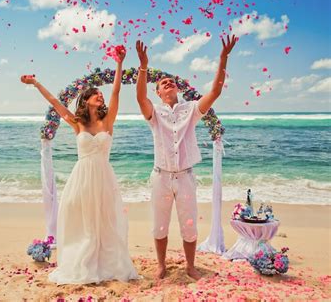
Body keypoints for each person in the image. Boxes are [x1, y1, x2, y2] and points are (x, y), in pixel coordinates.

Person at [20, 47, 139, 285]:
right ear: (85, 100)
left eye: (100, 94)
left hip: (104, 177)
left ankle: (108, 263)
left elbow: (116, 91)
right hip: (82, 178)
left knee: (107, 221)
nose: (100, 96)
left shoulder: (108, 120)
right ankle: (82, 262)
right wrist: (36, 83)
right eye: (95, 94)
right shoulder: (78, 123)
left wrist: (119, 63)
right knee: (83, 223)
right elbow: (56, 102)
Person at [135, 36, 238, 280]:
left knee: (189, 225)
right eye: (162, 83)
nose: (168, 82)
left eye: (171, 81)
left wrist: (223, 57)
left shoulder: (190, 109)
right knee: (159, 225)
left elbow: (214, 91)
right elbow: (140, 98)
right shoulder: (155, 112)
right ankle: (161, 265)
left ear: (177, 89)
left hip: (185, 178)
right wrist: (143, 66)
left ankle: (190, 266)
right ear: (158, 92)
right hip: (160, 177)